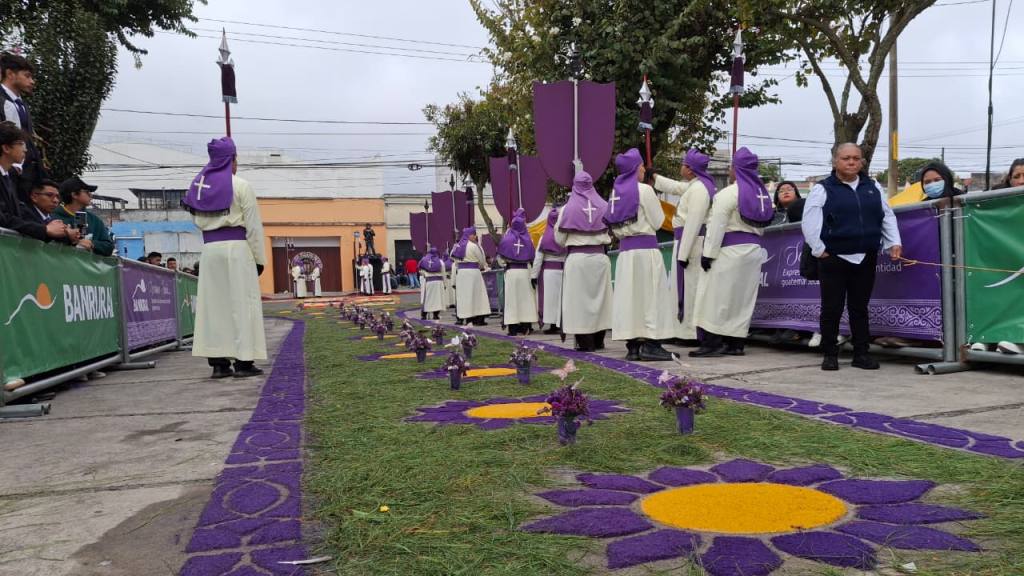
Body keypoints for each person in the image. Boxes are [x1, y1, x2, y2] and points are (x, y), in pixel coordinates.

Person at [802, 143, 902, 371]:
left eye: (856, 158)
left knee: (860, 308)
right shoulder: (823, 189)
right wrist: (820, 251)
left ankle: (861, 354)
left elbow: (886, 215)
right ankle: (830, 354)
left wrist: (894, 242)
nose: (851, 162)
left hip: (865, 257)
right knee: (832, 308)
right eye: (846, 158)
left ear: (862, 162)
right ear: (835, 161)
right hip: (833, 258)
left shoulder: (872, 186)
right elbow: (810, 222)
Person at [183, 137, 267, 379]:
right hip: (238, 249)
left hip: (210, 251)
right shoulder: (240, 186)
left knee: (214, 306)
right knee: (242, 304)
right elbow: (253, 227)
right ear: (232, 160)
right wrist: (259, 259)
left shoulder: (198, 186)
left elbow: (196, 220)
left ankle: (218, 363)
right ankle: (243, 362)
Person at [691, 147, 775, 358]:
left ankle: (712, 343)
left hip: (728, 251)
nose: (729, 170)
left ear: (736, 169)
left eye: (731, 167)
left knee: (715, 297)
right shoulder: (761, 194)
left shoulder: (728, 193)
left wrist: (708, 254)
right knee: (742, 299)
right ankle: (736, 344)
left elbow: (716, 225)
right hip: (753, 251)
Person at [605, 148, 674, 361]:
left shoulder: (615, 193)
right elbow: (657, 221)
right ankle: (652, 344)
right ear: (635, 168)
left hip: (626, 254)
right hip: (646, 252)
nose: (644, 169)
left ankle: (633, 346)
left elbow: (614, 227)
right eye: (642, 165)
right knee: (651, 297)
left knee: (630, 299)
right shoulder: (644, 191)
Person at [652, 148, 714, 344]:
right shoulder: (695, 186)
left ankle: (690, 333)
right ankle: (681, 331)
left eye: (683, 164)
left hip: (692, 243)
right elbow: (676, 187)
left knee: (691, 288)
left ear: (690, 169)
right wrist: (655, 177)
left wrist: (683, 254)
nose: (681, 167)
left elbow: (693, 223)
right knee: (682, 288)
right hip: (685, 242)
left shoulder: (699, 190)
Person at [554, 171, 613, 352]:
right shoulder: (605, 206)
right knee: (600, 301)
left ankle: (585, 342)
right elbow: (611, 230)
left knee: (579, 303)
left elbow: (559, 239)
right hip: (600, 258)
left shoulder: (567, 209)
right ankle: (599, 340)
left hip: (578, 260)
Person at [0, 123, 68, 241]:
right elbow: (3, 218)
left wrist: (54, 230)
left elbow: (18, 216)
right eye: (20, 144)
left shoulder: (8, 178)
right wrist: (44, 229)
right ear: (6, 148)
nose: (26, 149)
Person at [1, 53, 42, 203]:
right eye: (27, 76)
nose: (32, 81)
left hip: (27, 173)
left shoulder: (21, 104)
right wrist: (12, 167)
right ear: (10, 74)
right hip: (8, 172)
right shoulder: (2, 101)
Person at [498, 208, 539, 335]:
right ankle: (526, 327)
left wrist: (506, 263)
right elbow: (532, 257)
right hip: (525, 272)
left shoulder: (506, 239)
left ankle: (513, 329)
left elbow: (500, 258)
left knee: (512, 300)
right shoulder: (528, 240)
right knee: (525, 300)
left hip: (511, 272)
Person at [52, 176, 114, 257]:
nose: (91, 195)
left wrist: (92, 244)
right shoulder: (53, 217)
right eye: (87, 192)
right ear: (74, 195)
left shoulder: (94, 220)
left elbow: (109, 247)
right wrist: (70, 239)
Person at [532, 206, 567, 334]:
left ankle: (552, 325)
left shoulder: (544, 237)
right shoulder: (564, 236)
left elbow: (538, 258)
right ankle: (560, 324)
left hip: (548, 273)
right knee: (560, 299)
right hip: (562, 271)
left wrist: (533, 275)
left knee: (550, 300)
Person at [452, 226, 491, 326]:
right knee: (477, 296)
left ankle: (464, 317)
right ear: (469, 235)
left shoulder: (457, 246)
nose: (475, 236)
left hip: (461, 274)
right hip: (473, 273)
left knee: (464, 296)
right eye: (473, 235)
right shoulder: (474, 246)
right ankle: (477, 318)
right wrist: (481, 266)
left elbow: (454, 260)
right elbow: (481, 260)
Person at [22, 179, 73, 245]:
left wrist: (70, 235)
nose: (55, 200)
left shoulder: (50, 219)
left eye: (58, 197)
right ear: (34, 197)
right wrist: (67, 234)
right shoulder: (24, 213)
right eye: (49, 195)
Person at [418, 245, 446, 319]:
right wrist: (445, 284)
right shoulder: (441, 262)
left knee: (427, 298)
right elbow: (443, 273)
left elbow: (421, 271)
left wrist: (425, 274)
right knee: (437, 300)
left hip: (429, 282)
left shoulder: (424, 260)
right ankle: (435, 315)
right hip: (438, 283)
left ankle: (424, 315)